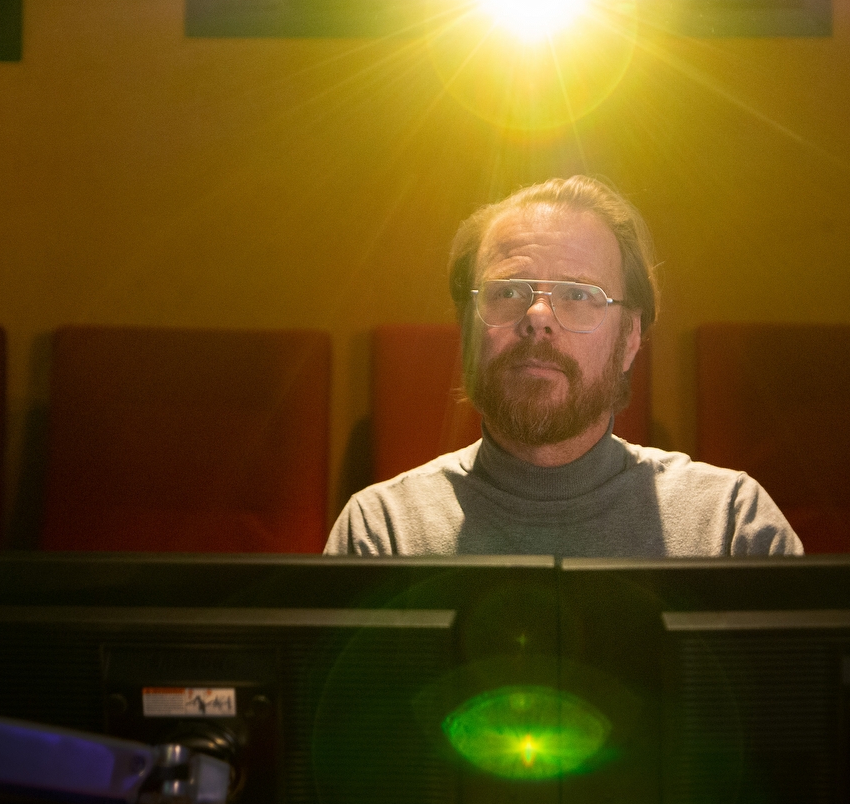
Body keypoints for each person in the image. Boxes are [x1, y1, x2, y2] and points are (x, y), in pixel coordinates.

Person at [325, 175, 803, 557]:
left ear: (630, 338)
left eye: (578, 294)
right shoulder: (381, 533)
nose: (538, 317)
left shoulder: (731, 527)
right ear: (466, 329)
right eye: (508, 291)